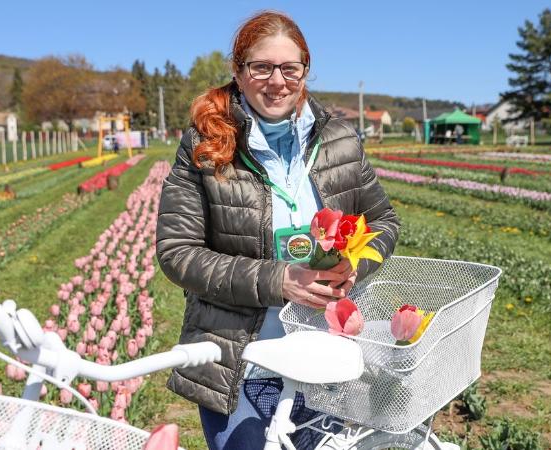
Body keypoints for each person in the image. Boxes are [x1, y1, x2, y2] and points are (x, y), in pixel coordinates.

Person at [156, 10, 400, 450]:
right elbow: (178, 252)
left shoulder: (340, 139)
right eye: (261, 67)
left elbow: (383, 222)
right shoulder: (206, 145)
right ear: (239, 71)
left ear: (305, 70)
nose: (277, 81)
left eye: (290, 68)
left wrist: (354, 266)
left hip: (327, 358)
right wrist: (279, 280)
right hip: (240, 360)